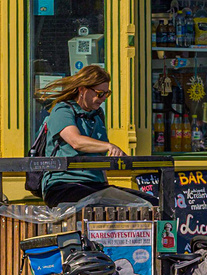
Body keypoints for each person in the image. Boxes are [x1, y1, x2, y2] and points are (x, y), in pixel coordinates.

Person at [36, 64, 141, 209]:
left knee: (147, 203)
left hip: (95, 185)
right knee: (103, 204)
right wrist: (109, 146)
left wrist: (105, 183)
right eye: (99, 93)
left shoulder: (97, 115)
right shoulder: (63, 110)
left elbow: (99, 158)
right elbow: (76, 141)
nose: (103, 98)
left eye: (106, 93)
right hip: (63, 185)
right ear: (82, 90)